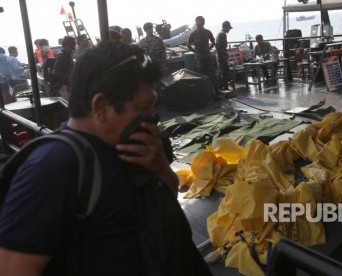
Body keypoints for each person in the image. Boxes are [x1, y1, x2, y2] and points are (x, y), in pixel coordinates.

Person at [0, 41, 211, 276]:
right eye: (144, 107)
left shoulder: (136, 145)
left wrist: (161, 167)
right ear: (101, 106)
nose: (153, 116)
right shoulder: (53, 167)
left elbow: (165, 204)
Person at [187, 16, 218, 92]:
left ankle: (215, 91)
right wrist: (195, 52)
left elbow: (213, 42)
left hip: (208, 56)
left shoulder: (208, 32)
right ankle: (204, 92)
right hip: (199, 58)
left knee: (212, 74)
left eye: (199, 21)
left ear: (203, 23)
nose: (197, 23)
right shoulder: (193, 34)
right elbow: (188, 45)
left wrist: (208, 49)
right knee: (201, 75)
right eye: (196, 22)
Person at [215, 20, 233, 91]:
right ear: (225, 27)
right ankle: (225, 87)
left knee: (222, 71)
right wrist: (223, 55)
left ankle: (221, 87)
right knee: (224, 71)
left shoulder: (219, 33)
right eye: (228, 28)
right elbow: (219, 46)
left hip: (220, 55)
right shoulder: (222, 34)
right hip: (222, 56)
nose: (229, 30)